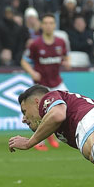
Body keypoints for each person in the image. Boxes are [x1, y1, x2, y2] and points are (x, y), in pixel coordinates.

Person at [9, 78, 94, 182]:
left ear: (36, 102)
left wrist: (29, 143)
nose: (24, 119)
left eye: (24, 111)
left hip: (88, 119)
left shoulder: (48, 98)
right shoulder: (59, 125)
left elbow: (57, 115)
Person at [20, 13, 69, 151]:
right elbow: (24, 61)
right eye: (45, 23)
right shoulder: (36, 44)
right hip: (41, 86)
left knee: (67, 108)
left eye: (51, 23)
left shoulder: (60, 42)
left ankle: (62, 135)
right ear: (42, 25)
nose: (48, 25)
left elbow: (66, 56)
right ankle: (38, 141)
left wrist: (67, 62)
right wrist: (32, 72)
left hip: (57, 83)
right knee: (37, 114)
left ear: (54, 25)